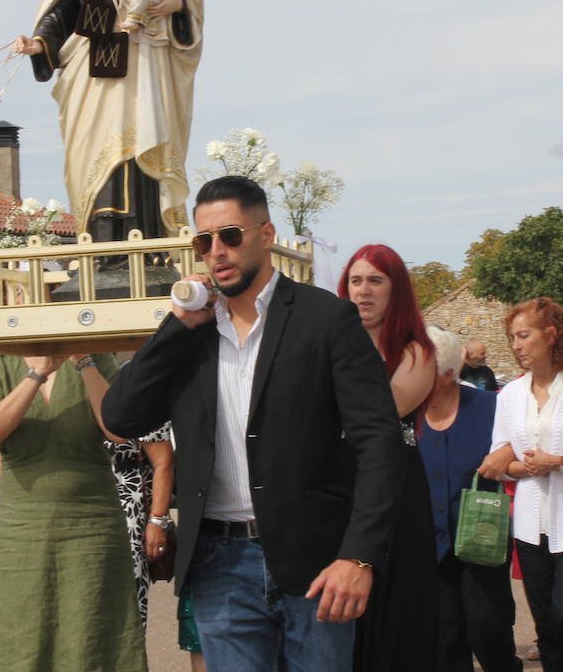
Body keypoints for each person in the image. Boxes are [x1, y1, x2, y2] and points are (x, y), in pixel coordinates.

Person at [101, 175, 406, 671]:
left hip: (316, 560)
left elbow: (380, 443)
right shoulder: (191, 335)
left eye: (230, 236)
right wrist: (175, 326)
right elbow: (121, 416)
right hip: (219, 563)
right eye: (203, 241)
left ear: (266, 235)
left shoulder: (326, 319)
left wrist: (359, 556)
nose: (216, 251)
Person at [13, 0, 204, 242]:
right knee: (93, 144)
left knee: (142, 130)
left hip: (141, 56)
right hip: (90, 58)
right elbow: (62, 9)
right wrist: (40, 44)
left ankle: (150, 237)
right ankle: (102, 239)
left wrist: (176, 4)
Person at [0, 350, 146, 671]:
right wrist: (37, 374)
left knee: (93, 636)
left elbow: (118, 430)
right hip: (20, 531)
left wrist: (84, 362)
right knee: (17, 638)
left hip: (93, 530)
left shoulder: (97, 356)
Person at [477, 297, 563, 672]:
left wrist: (559, 462)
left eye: (524, 336)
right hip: (528, 525)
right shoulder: (508, 396)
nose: (517, 345)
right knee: (545, 624)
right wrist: (524, 467)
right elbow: (500, 460)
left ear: (551, 335)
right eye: (512, 338)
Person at [339, 244, 439, 670]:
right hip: (338, 488)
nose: (364, 291)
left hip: (396, 492)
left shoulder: (416, 352)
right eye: (356, 281)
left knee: (395, 610)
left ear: (395, 291)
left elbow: (380, 413)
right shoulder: (329, 347)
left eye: (376, 281)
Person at [419, 327, 523, 672]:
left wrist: (505, 452)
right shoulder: (405, 412)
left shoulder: (490, 406)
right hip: (427, 542)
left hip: (482, 537)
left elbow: (524, 441)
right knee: (443, 636)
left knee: (488, 627)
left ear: (449, 373)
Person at [105, 421, 175, 626]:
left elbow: (163, 462)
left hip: (127, 510)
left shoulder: (134, 391)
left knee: (127, 609)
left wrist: (157, 521)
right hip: (68, 509)